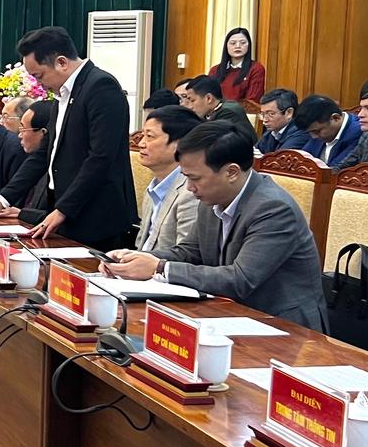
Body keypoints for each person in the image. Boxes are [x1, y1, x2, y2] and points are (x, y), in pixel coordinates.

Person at [105, 121, 327, 331]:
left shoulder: (273, 209)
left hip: (284, 326)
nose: (189, 187)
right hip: (229, 313)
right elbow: (190, 251)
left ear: (231, 172)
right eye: (186, 177)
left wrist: (160, 267)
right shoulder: (212, 198)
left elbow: (240, 279)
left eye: (195, 178)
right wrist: (136, 259)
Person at [0, 27, 137, 248]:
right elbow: (43, 154)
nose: (38, 84)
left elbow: (100, 158)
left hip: (97, 217)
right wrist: (2, 200)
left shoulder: (101, 87)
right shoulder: (63, 93)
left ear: (61, 62)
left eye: (39, 76)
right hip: (66, 212)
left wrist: (63, 210)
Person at [134, 106, 201, 253]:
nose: (141, 144)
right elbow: (141, 244)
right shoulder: (154, 186)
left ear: (179, 144)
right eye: (143, 136)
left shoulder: (191, 193)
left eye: (150, 136)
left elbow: (186, 255)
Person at [0, 100, 55, 226]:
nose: (19, 135)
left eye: (24, 129)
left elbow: (58, 217)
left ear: (43, 133)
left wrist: (22, 213)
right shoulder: (33, 163)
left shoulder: (58, 167)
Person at [180, 75, 257, 141]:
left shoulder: (228, 112)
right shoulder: (208, 112)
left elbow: (210, 140)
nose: (190, 106)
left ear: (208, 98)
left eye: (192, 100)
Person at [295, 95, 361, 169]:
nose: (314, 136)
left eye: (317, 131)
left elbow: (336, 170)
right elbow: (302, 161)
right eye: (309, 132)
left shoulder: (358, 131)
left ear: (335, 118)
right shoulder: (318, 130)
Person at [207, 27, 266, 101]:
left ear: (249, 46)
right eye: (233, 43)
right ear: (226, 46)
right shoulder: (215, 70)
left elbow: (253, 101)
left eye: (243, 43)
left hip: (243, 109)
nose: (238, 46)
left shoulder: (256, 69)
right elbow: (208, 97)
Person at [255, 89, 309, 155]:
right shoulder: (272, 131)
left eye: (271, 114)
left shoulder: (301, 133)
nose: (265, 120)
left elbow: (280, 159)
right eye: (262, 114)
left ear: (289, 112)